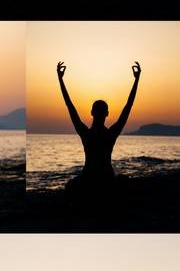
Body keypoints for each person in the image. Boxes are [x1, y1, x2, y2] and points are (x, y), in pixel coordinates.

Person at [57, 60, 141, 201]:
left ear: (91, 112)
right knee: (123, 181)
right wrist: (137, 80)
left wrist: (60, 79)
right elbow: (128, 106)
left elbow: (69, 105)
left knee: (70, 186)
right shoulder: (110, 134)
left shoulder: (86, 134)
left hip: (89, 179)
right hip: (106, 179)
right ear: (107, 114)